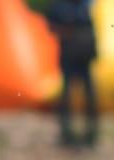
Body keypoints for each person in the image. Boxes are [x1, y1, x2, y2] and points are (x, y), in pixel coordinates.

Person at [47, 0, 99, 148]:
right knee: (66, 97)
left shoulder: (87, 5)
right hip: (69, 58)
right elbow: (51, 27)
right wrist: (66, 31)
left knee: (89, 97)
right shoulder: (59, 6)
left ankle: (91, 134)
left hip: (85, 58)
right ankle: (66, 133)